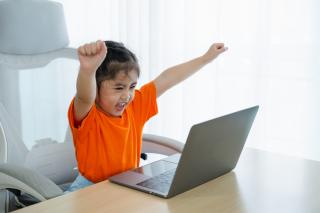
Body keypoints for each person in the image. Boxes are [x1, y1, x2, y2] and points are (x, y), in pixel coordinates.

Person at [66, 40, 228, 192]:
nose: (127, 95)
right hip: (89, 190)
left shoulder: (135, 106)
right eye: (119, 88)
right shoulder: (88, 114)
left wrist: (205, 59)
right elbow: (84, 97)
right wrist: (87, 71)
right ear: (95, 87)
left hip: (123, 185)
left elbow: (167, 78)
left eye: (132, 87)